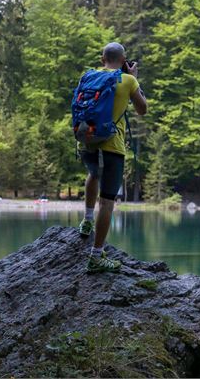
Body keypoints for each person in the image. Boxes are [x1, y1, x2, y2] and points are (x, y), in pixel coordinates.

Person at [78, 42, 147, 273]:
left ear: (102, 59)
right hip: (112, 147)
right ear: (124, 60)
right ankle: (96, 256)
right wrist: (134, 78)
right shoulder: (127, 80)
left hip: (86, 139)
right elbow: (142, 109)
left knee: (92, 174)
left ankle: (87, 219)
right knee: (107, 201)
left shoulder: (88, 76)